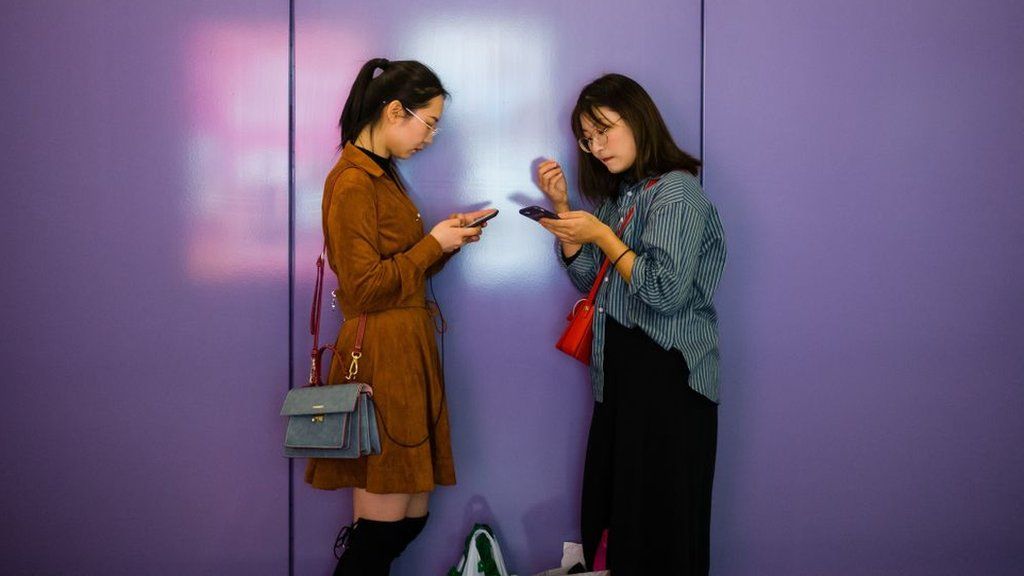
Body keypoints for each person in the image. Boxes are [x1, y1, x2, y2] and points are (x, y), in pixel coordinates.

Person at [534, 73, 726, 575]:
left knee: (661, 526)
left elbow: (663, 291)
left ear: (638, 119)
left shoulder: (677, 193)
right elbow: (591, 283)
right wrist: (564, 213)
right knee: (619, 519)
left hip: (669, 385)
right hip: (621, 382)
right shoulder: (625, 196)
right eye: (587, 138)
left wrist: (600, 232)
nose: (596, 146)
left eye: (604, 130)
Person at [310, 57, 493, 575]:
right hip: (381, 356)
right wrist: (431, 243)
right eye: (428, 123)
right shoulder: (351, 182)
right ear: (395, 111)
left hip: (404, 352)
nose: (429, 138)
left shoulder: (380, 177)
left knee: (408, 517)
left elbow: (400, 267)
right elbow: (365, 288)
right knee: (384, 525)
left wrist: (445, 241)